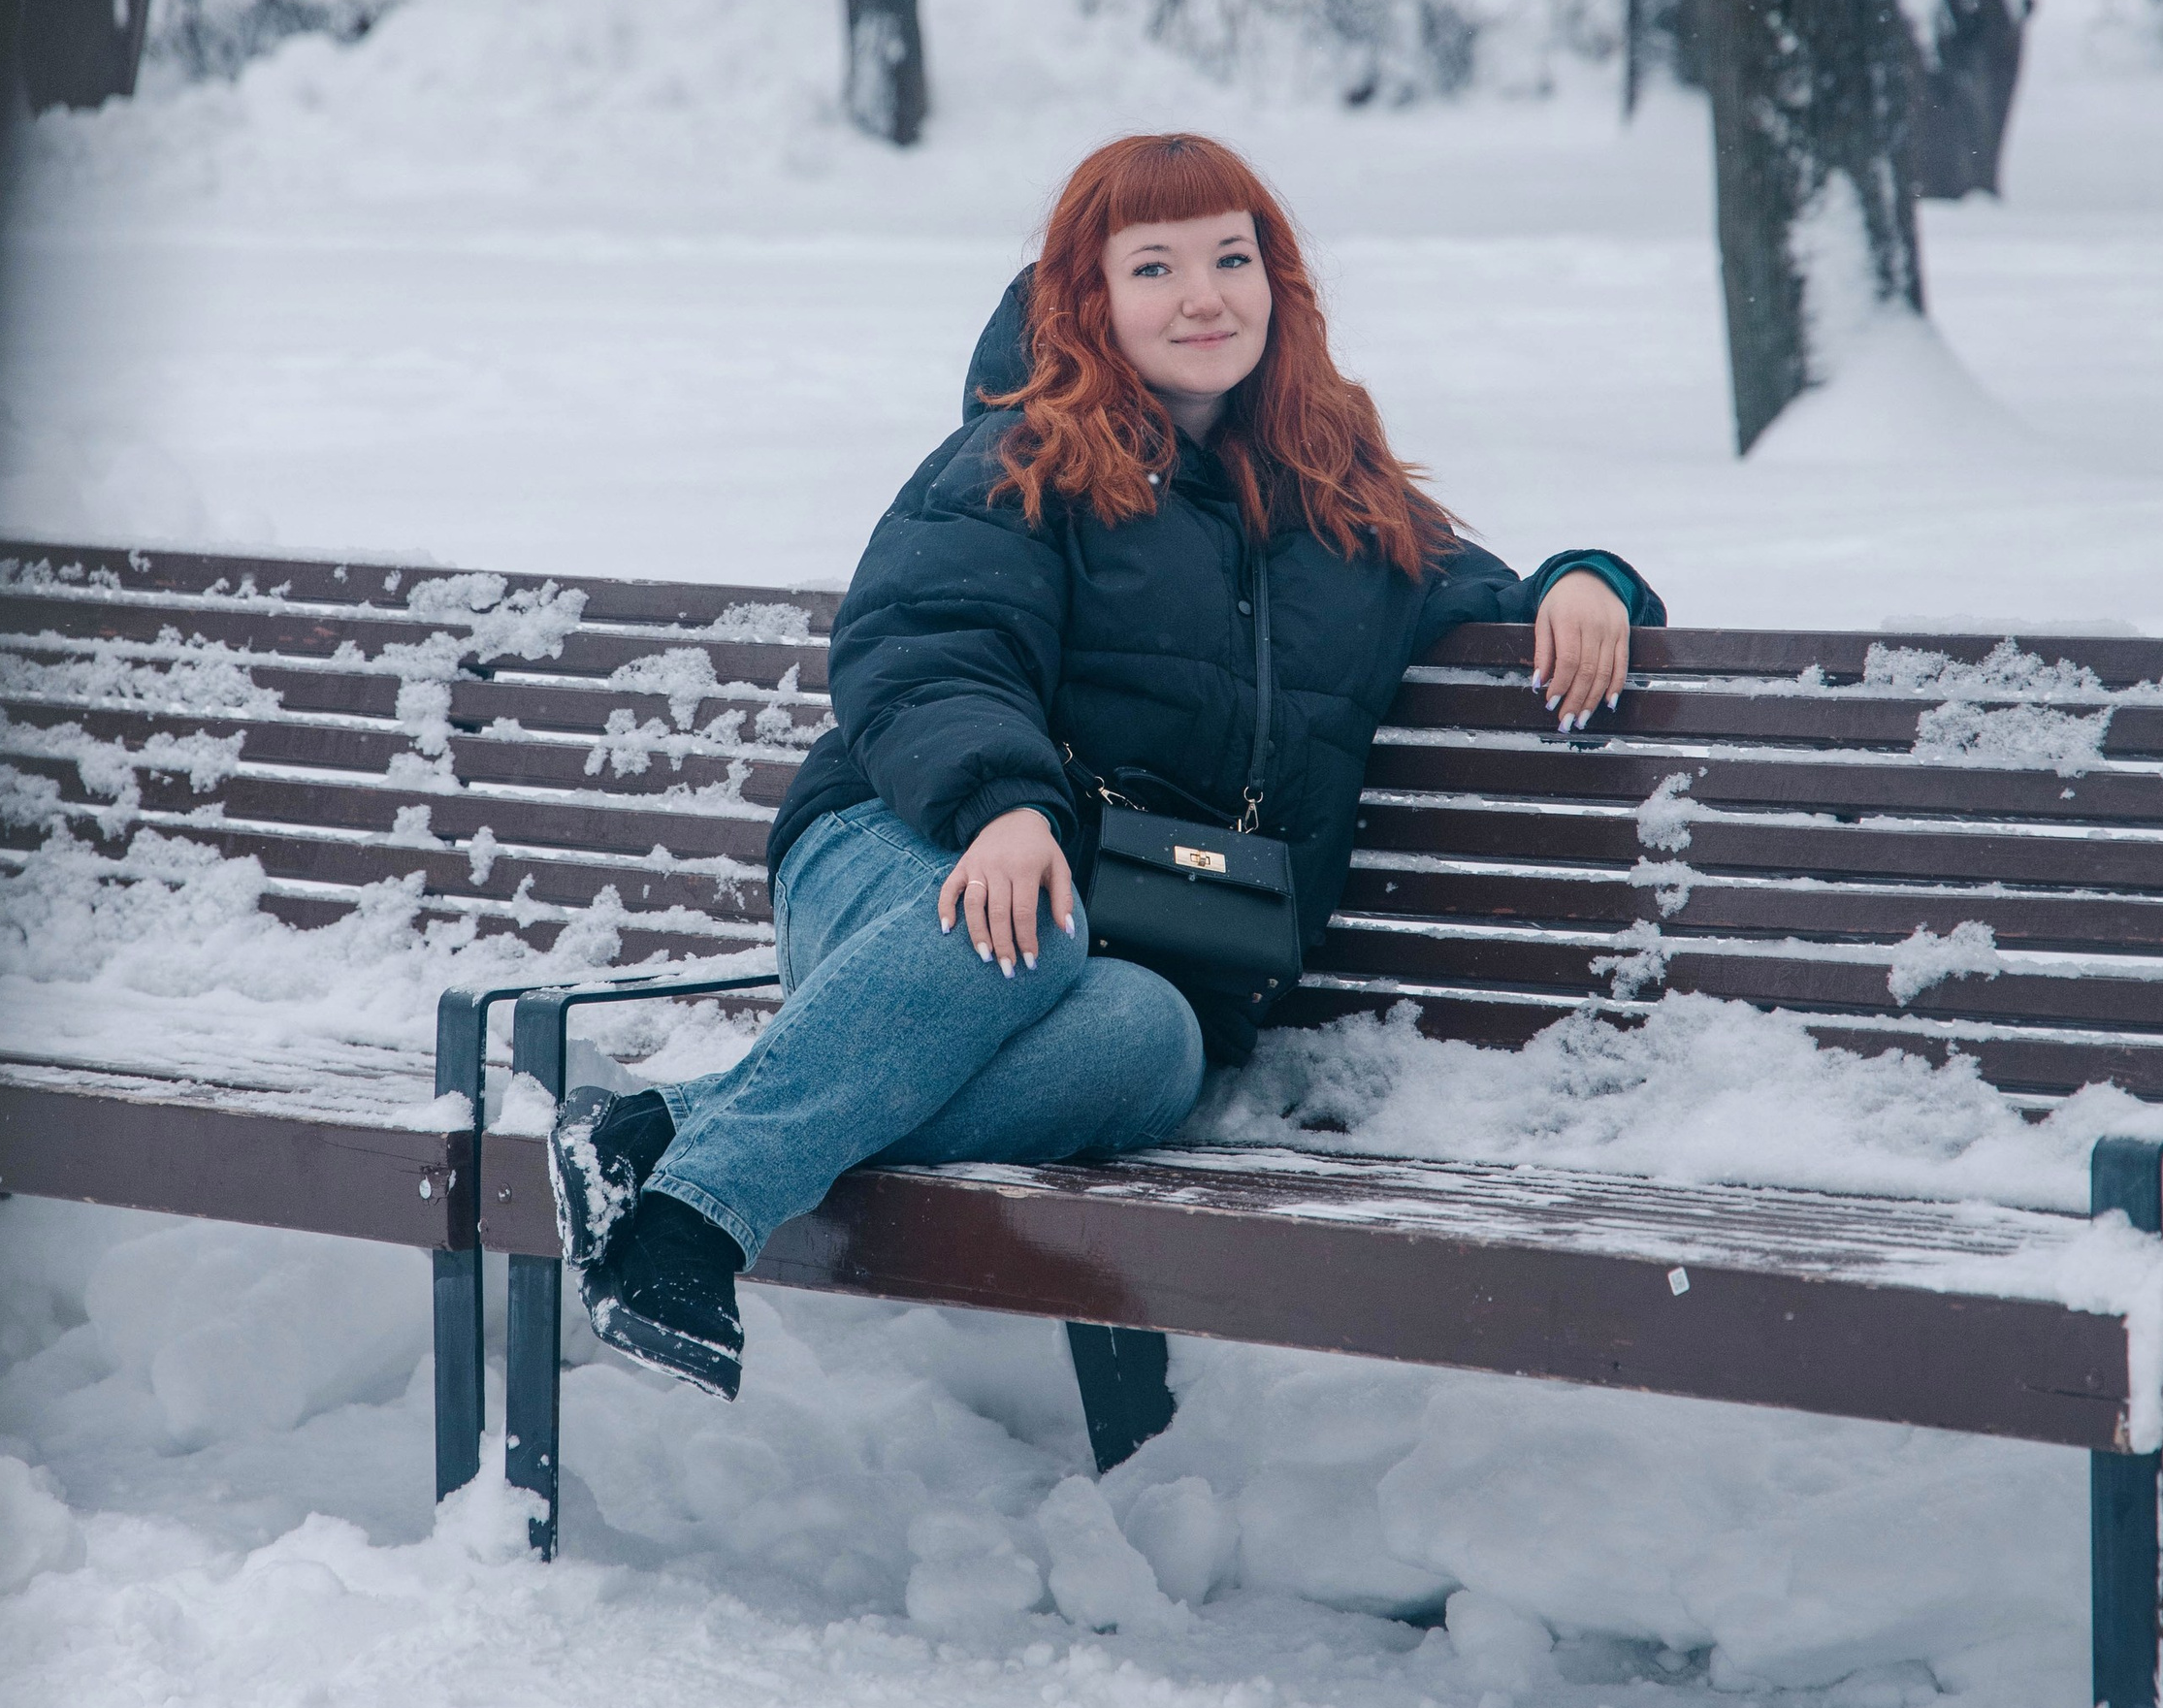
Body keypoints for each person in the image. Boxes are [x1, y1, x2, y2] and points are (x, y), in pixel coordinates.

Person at [551, 131, 1662, 1395]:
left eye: (1232, 258)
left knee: (1146, 1045)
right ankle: (690, 1224)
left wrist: (1591, 579)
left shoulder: (1344, 501)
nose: (1204, 296)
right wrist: (1009, 808)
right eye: (1156, 267)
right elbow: (925, 650)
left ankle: (653, 1134)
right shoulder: (1021, 457)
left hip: (1126, 944)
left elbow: (1493, 595)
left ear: (1277, 283)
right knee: (1035, 915)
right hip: (911, 855)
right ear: (1088, 296)